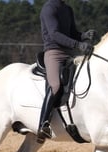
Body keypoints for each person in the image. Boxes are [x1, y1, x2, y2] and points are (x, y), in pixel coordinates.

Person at [33, 0, 95, 142]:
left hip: (69, 54)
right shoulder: (49, 8)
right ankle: (43, 124)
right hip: (54, 53)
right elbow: (54, 34)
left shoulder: (67, 9)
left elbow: (72, 33)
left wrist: (84, 36)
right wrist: (78, 44)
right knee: (55, 85)